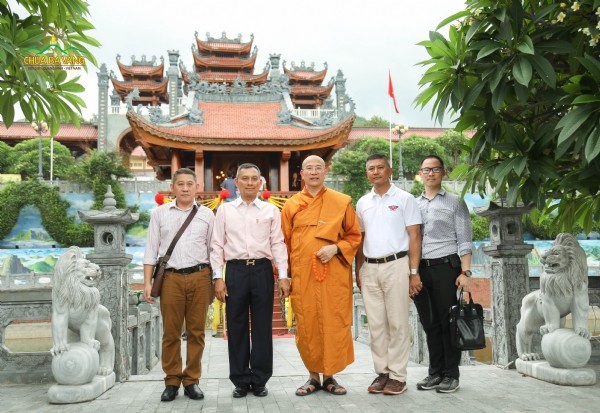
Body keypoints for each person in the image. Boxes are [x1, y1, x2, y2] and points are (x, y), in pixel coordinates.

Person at [281, 155, 361, 396]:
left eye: (318, 168)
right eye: (309, 168)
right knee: (307, 324)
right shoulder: (291, 205)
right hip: (303, 275)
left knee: (333, 321)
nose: (314, 172)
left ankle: (331, 377)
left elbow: (354, 235)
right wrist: (283, 275)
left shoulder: (341, 202)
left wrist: (336, 248)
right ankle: (312, 377)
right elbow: (283, 242)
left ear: (326, 172)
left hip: (333, 274)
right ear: (301, 174)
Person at [210, 163, 291, 398]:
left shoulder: (270, 211)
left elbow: (278, 243)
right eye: (244, 178)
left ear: (260, 182)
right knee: (236, 327)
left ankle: (259, 379)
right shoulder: (225, 211)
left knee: (263, 327)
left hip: (262, 270)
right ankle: (240, 379)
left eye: (254, 178)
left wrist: (283, 275)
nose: (249, 182)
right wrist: (218, 277)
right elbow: (217, 245)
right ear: (236, 182)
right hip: (234, 271)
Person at [143, 168, 214, 402]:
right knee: (171, 332)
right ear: (172, 188)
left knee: (196, 332)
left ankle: (192, 380)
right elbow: (151, 250)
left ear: (197, 187)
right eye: (180, 184)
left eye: (189, 184)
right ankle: (172, 380)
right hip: (170, 278)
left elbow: (213, 250)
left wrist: (217, 279)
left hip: (200, 276)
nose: (185, 188)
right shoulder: (160, 214)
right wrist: (146, 282)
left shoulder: (207, 215)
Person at [355, 154, 422, 396]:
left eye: (380, 167)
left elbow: (415, 236)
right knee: (376, 324)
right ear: (367, 174)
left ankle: (398, 376)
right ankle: (382, 372)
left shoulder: (405, 199)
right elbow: (360, 240)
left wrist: (414, 273)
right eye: (371, 168)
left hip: (397, 264)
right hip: (370, 268)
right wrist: (358, 271)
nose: (375, 172)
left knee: (397, 322)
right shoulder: (363, 202)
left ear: (390, 170)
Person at [414, 154, 472, 394]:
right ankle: (435, 372)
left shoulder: (455, 202)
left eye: (435, 169)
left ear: (443, 173)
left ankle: (451, 374)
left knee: (449, 322)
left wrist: (465, 272)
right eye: (426, 170)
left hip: (446, 268)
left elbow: (465, 239)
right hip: (419, 270)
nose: (430, 173)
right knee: (429, 323)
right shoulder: (413, 204)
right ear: (420, 174)